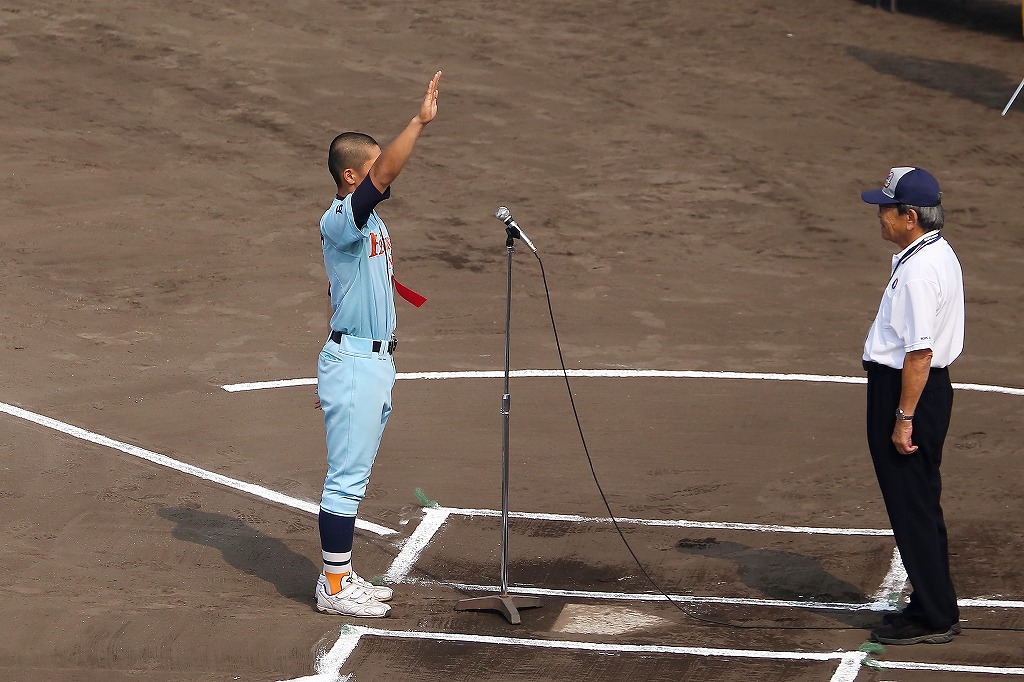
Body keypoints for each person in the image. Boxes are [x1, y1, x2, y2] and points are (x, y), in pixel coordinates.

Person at [313, 71, 441, 617]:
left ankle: (341, 576)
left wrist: (331, 366)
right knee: (345, 481)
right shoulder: (343, 219)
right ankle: (334, 587)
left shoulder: (367, 226)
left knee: (354, 475)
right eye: (369, 171)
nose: (380, 177)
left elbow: (334, 294)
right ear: (351, 176)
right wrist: (418, 122)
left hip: (364, 364)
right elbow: (387, 171)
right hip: (356, 364)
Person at [859, 166, 964, 645]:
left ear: (909, 216)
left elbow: (918, 354)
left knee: (912, 505)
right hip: (920, 391)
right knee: (919, 502)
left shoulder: (921, 270)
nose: (880, 216)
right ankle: (928, 602)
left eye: (886, 208)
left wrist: (902, 418)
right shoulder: (930, 253)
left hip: (909, 393)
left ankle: (936, 615)